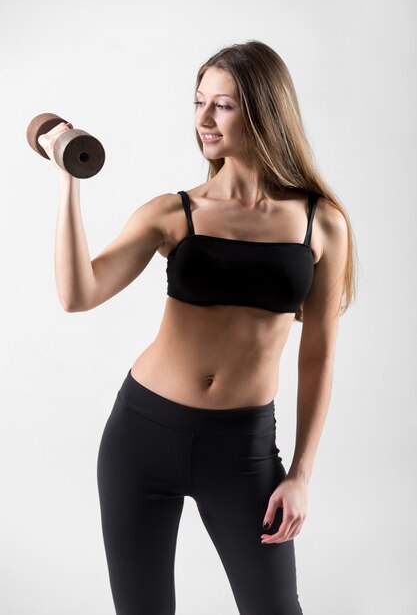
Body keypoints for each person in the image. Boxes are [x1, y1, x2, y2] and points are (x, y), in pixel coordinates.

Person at [39, 40, 356, 615]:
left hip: (242, 451)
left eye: (224, 105)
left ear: (264, 111)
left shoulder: (321, 224)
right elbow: (77, 294)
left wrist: (302, 473)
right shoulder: (173, 211)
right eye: (198, 102)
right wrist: (69, 181)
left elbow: (320, 355)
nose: (204, 120)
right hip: (142, 433)